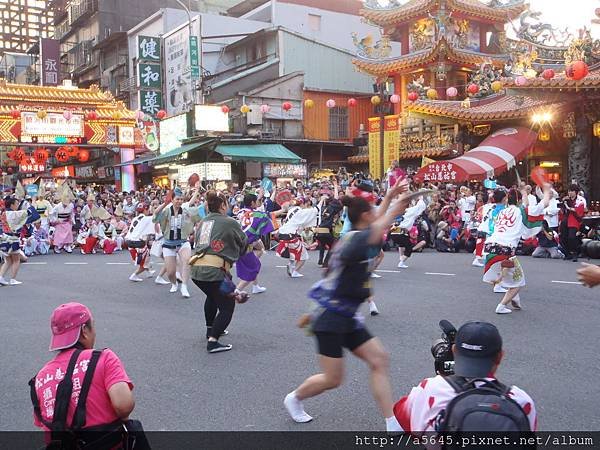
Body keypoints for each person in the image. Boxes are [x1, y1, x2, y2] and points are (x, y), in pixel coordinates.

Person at [284, 183, 410, 430]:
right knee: (333, 379)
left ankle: (391, 422)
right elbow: (379, 224)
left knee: (379, 359)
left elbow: (376, 221)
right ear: (365, 216)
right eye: (372, 211)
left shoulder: (354, 234)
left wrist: (391, 196)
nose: (376, 213)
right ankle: (294, 398)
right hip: (330, 318)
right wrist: (397, 207)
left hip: (347, 316)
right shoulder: (355, 240)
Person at [30, 302, 148, 448]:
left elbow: (43, 423)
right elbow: (123, 407)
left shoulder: (39, 378)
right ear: (85, 330)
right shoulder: (103, 358)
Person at [393, 321, 537, 435]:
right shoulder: (521, 401)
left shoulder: (432, 389)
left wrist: (444, 378)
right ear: (500, 356)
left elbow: (401, 414)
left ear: (454, 351)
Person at [190, 191, 248, 353]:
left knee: (212, 296)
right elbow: (242, 244)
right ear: (223, 205)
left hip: (196, 271)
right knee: (227, 306)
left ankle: (211, 330)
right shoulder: (229, 222)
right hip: (214, 271)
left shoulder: (202, 222)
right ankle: (213, 341)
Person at [483, 184, 551, 314]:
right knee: (519, 281)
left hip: (490, 248)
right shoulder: (522, 211)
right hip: (505, 250)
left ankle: (515, 299)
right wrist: (547, 190)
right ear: (519, 200)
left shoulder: (503, 211)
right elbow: (545, 203)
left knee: (510, 277)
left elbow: (523, 204)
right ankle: (501, 306)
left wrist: (523, 192)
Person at [153, 187, 202, 298]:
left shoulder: (185, 208)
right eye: (177, 199)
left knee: (186, 261)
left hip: (183, 242)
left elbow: (191, 202)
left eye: (181, 199)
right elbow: (156, 214)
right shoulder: (166, 210)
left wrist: (197, 190)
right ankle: (174, 283)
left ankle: (184, 286)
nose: (179, 201)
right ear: (172, 199)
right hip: (168, 244)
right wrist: (165, 203)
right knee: (170, 272)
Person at [0, 196, 39, 285]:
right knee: (16, 260)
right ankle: (13, 279)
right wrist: (32, 202)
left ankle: (1, 277)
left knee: (8, 261)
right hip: (13, 239)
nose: (18, 205)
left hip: (4, 239)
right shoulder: (15, 214)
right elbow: (32, 213)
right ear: (12, 205)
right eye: (17, 203)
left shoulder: (3, 213)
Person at [276, 198, 318, 278]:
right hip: (290, 236)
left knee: (293, 251)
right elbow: (315, 211)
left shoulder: (292, 210)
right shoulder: (300, 212)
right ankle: (295, 271)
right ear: (302, 204)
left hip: (284, 234)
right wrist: (322, 201)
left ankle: (291, 264)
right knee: (304, 255)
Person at [124, 203, 156, 282]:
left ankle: (149, 272)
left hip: (129, 242)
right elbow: (156, 218)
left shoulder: (135, 219)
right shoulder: (147, 219)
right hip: (138, 243)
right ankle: (134, 275)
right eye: (148, 209)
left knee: (145, 257)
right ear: (145, 210)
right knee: (144, 262)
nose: (149, 211)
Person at [390, 197, 426, 268]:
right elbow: (420, 207)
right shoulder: (410, 211)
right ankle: (401, 261)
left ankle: (401, 259)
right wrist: (421, 199)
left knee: (401, 244)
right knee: (409, 248)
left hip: (393, 232)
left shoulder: (397, 211)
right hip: (401, 233)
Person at [562, 184, 585, 262]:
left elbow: (579, 210)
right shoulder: (566, 199)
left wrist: (569, 207)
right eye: (569, 191)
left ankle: (575, 253)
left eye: (572, 191)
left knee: (572, 237)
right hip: (566, 220)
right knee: (563, 237)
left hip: (574, 221)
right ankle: (568, 253)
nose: (570, 193)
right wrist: (563, 203)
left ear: (576, 192)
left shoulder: (580, 200)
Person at [51, 185, 75, 254]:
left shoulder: (71, 205)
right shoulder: (57, 206)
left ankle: (67, 245)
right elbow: (52, 213)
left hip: (67, 221)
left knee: (69, 233)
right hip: (59, 222)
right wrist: (55, 220)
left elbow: (72, 213)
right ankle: (57, 246)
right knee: (58, 234)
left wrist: (72, 220)